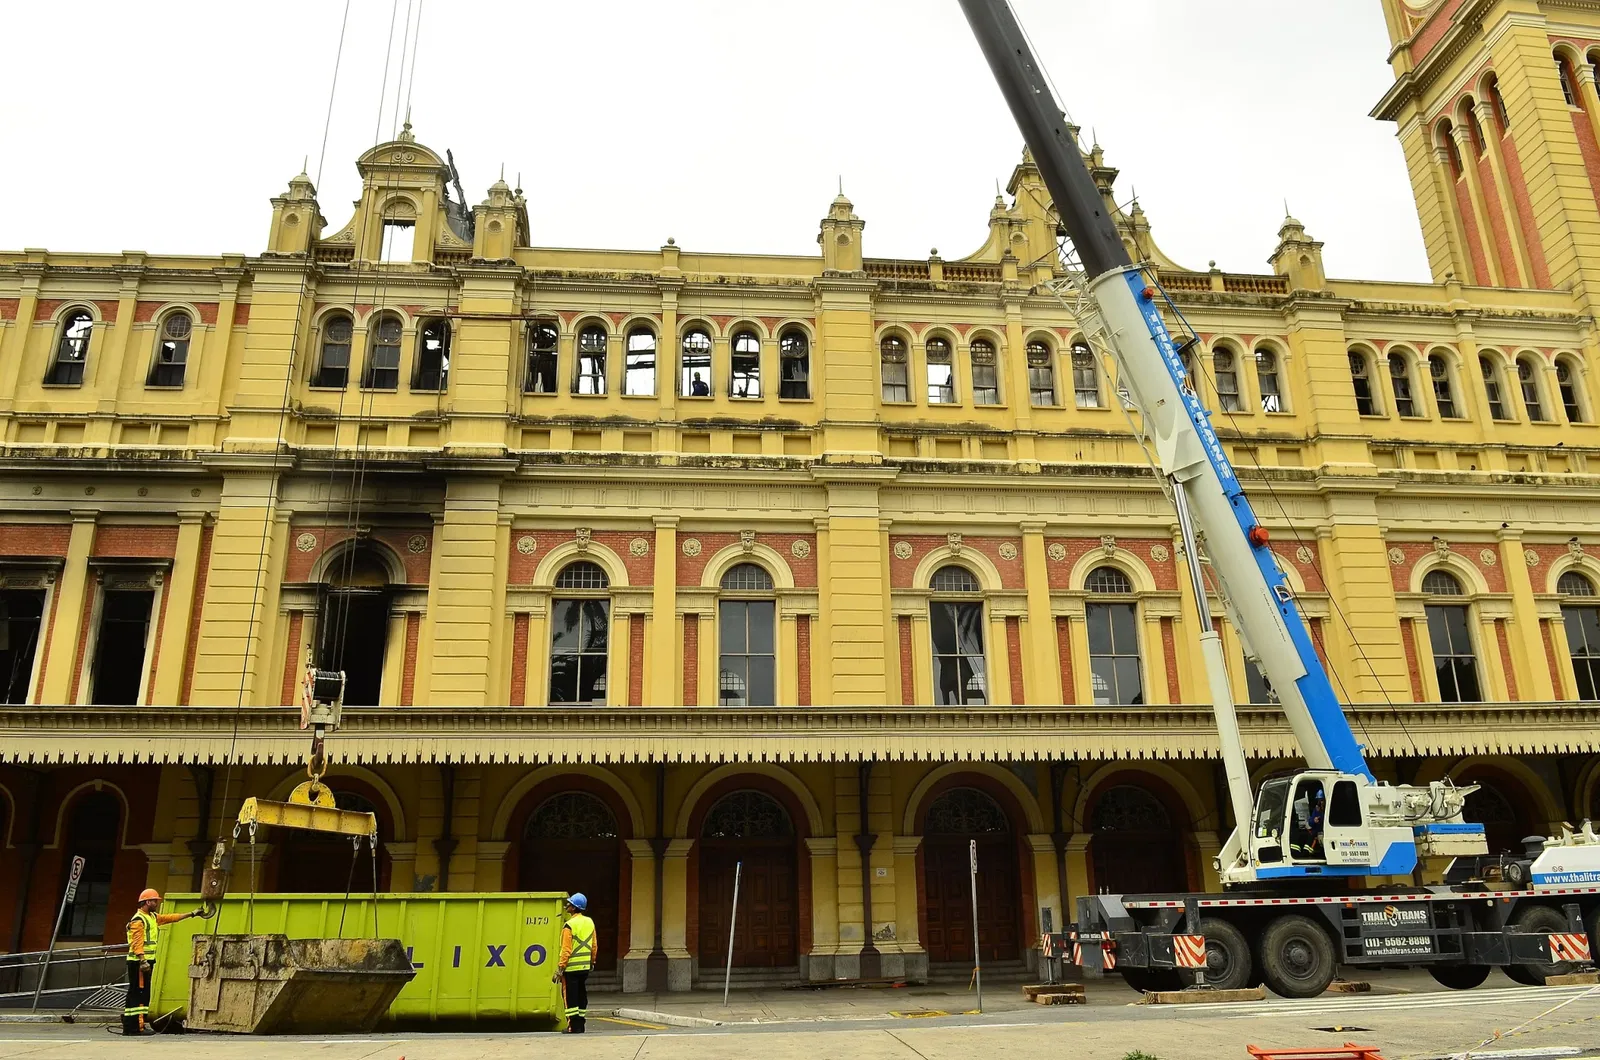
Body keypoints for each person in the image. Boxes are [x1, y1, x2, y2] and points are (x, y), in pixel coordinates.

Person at [123, 888, 203, 1036]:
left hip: (145, 962)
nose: (156, 903)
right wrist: (142, 961)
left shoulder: (152, 917)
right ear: (147, 902)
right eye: (154, 901)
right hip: (139, 963)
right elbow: (137, 943)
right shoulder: (139, 920)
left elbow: (170, 918)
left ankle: (132, 1026)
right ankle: (135, 1027)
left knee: (140, 993)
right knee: (139, 994)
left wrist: (192, 914)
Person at [555, 892, 596, 1033]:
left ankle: (573, 1026)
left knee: (570, 997)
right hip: (585, 967)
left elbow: (566, 950)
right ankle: (581, 1025)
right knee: (581, 995)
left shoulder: (569, 925)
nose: (567, 905)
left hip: (571, 968)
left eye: (570, 904)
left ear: (574, 908)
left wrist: (560, 968)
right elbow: (594, 945)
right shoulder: (590, 922)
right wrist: (592, 961)